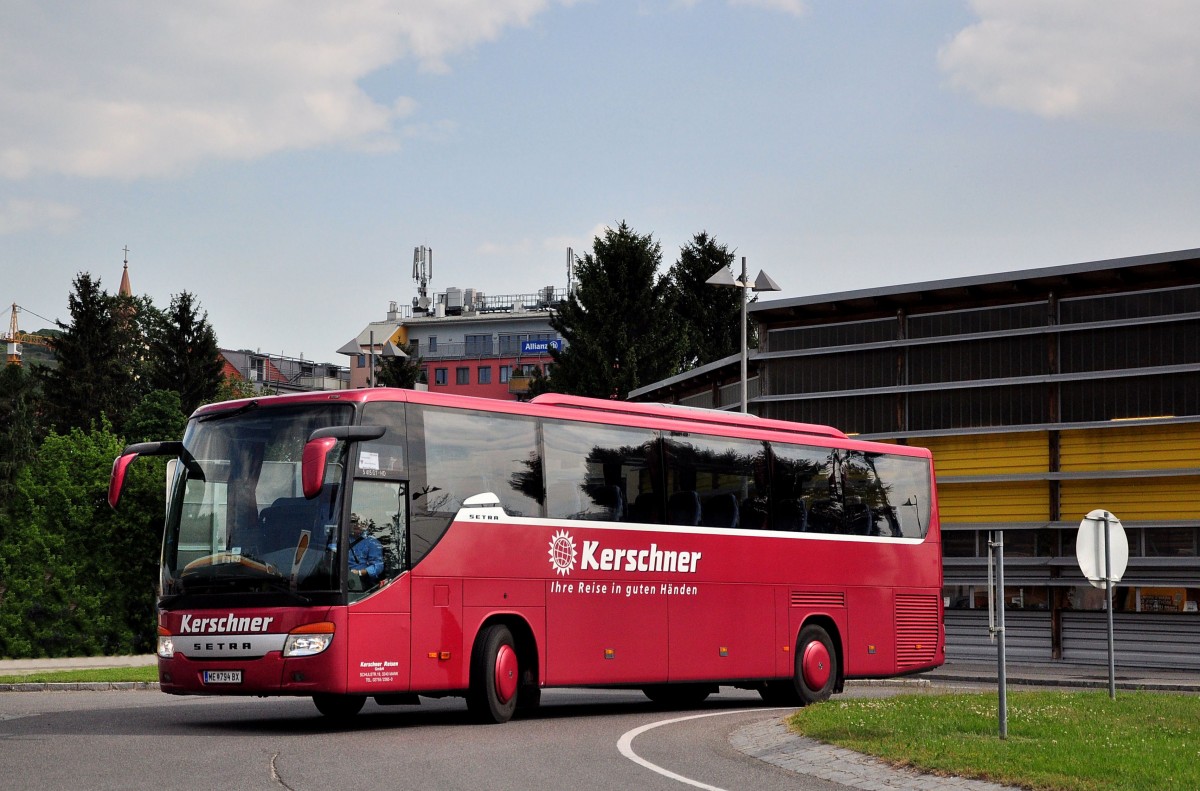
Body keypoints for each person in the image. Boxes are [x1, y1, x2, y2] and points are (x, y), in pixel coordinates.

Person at [348, 513, 384, 588]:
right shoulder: (343, 538)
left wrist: (360, 572)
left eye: (358, 523)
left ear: (364, 525)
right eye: (353, 522)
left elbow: (378, 566)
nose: (355, 525)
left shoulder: (372, 542)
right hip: (342, 577)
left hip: (362, 581)